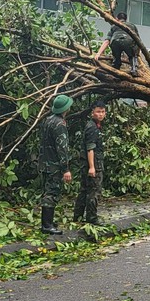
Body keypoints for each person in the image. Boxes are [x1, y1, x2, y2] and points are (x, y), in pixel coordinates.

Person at [39, 94, 73, 235]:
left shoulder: (47, 121)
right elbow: (62, 148)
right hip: (54, 165)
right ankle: (47, 225)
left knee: (46, 192)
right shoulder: (60, 125)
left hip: (44, 163)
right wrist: (65, 169)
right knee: (51, 194)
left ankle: (47, 222)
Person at [73, 99, 107, 225]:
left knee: (84, 190)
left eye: (103, 112)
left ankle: (78, 216)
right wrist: (92, 167)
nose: (101, 114)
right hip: (93, 165)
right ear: (92, 112)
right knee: (94, 191)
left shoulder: (94, 126)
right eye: (98, 112)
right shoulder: (92, 128)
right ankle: (91, 217)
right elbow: (90, 149)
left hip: (87, 164)